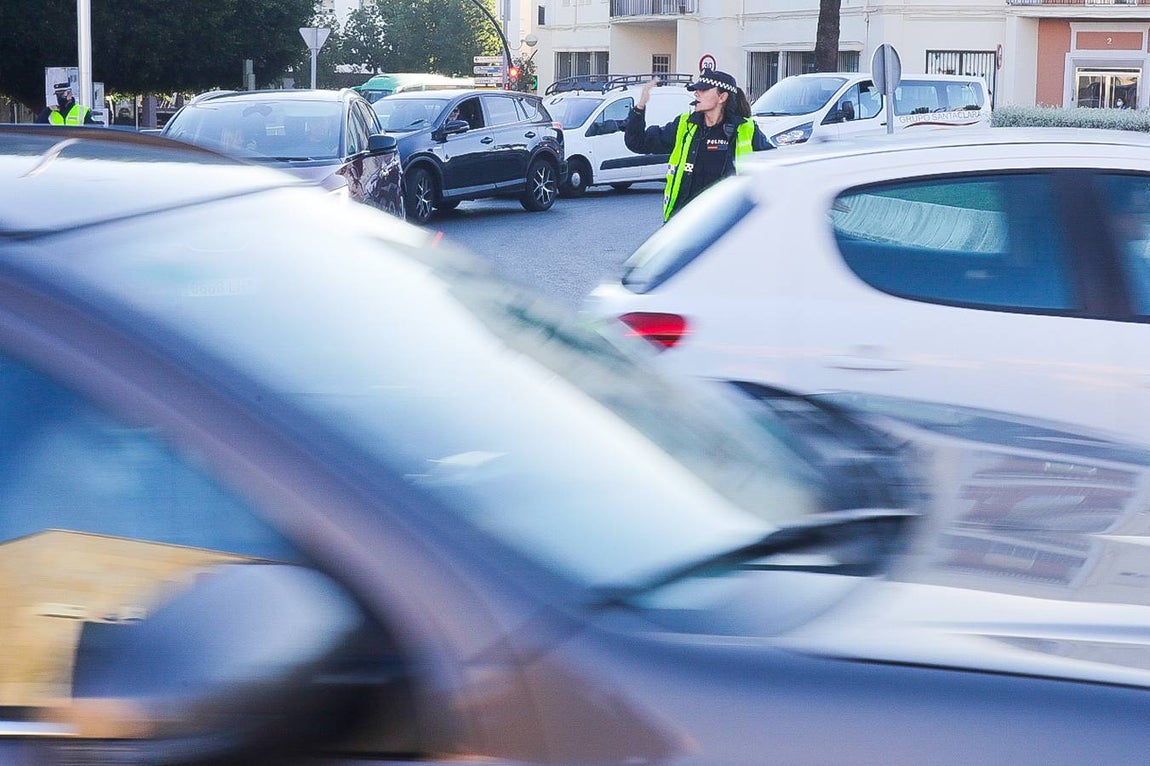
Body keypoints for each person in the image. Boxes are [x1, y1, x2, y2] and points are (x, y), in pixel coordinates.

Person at [624, 69, 771, 222]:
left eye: (704, 90)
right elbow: (637, 142)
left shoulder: (746, 130)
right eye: (696, 90)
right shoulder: (685, 125)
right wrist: (640, 107)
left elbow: (775, 169)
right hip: (684, 224)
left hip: (726, 225)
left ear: (722, 97)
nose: (697, 93)